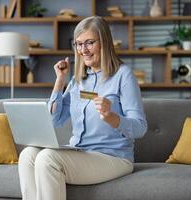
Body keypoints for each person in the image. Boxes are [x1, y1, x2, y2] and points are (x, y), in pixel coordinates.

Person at [18, 16, 147, 200]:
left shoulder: (123, 76)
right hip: (80, 151)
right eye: (78, 44)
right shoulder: (79, 80)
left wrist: (111, 116)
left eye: (89, 43)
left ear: (104, 42)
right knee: (28, 155)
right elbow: (55, 119)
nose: (83, 50)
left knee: (47, 158)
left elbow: (140, 127)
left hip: (113, 157)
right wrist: (60, 80)